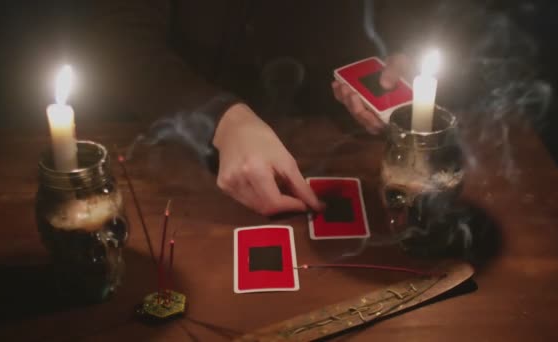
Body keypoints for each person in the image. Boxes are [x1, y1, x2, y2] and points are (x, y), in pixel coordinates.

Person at [83, 1, 409, 216]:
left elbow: (414, 18)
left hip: (344, 148)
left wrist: (399, 59)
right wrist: (222, 118)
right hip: (183, 162)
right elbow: (117, 41)